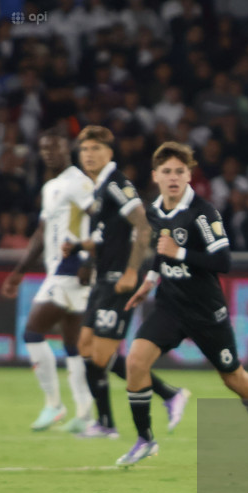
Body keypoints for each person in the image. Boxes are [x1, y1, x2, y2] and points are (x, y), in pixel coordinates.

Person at [117, 142, 248, 466]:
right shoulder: (154, 211)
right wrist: (148, 282)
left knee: (232, 377)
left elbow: (223, 261)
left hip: (205, 312)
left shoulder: (203, 213)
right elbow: (161, 252)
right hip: (170, 307)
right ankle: (145, 439)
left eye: (179, 171)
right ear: (156, 176)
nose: (173, 178)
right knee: (135, 362)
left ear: (189, 175)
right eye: (167, 172)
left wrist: (181, 253)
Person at [63, 126, 188, 439]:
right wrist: (80, 248)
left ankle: (169, 395)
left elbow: (143, 227)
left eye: (95, 149)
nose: (88, 155)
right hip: (102, 279)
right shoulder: (100, 187)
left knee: (101, 356)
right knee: (86, 349)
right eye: (84, 149)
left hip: (119, 280)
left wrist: (133, 272)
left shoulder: (117, 183)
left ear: (109, 153)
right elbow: (108, 236)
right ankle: (106, 423)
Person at [0, 130, 94, 433]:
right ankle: (84, 412)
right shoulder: (52, 186)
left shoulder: (79, 182)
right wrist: (19, 271)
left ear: (69, 149)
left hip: (72, 267)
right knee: (72, 344)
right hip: (62, 270)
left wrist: (89, 260)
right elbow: (41, 233)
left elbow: (99, 218)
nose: (49, 152)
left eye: (56, 146)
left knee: (32, 332)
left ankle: (54, 405)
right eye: (44, 147)